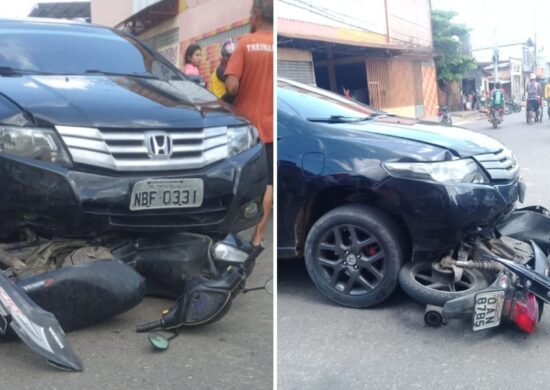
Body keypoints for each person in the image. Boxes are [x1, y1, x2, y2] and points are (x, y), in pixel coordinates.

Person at [224, 0, 273, 253]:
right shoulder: (277, 44)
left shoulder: (245, 43)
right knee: (268, 185)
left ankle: (227, 237)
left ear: (256, 14)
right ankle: (257, 238)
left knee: (239, 180)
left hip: (246, 127)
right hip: (272, 129)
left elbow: (231, 86)